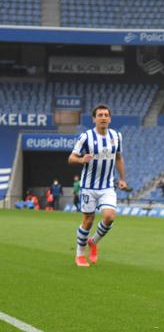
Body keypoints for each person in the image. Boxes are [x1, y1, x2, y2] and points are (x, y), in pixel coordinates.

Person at [68, 104, 127, 267]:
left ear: (110, 118)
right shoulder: (86, 137)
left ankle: (93, 242)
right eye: (99, 115)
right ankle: (80, 254)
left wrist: (122, 179)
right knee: (88, 220)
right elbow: (71, 158)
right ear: (94, 119)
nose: (103, 118)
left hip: (107, 186)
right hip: (88, 186)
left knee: (109, 216)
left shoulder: (116, 136)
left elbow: (119, 158)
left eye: (105, 115)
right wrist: (81, 159)